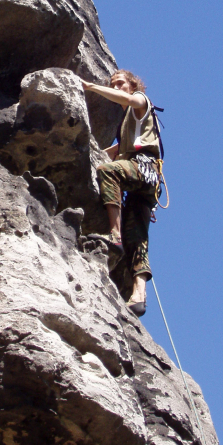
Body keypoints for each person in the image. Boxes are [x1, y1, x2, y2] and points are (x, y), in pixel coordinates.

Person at [81, 70, 161, 317]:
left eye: (120, 83)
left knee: (108, 171)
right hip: (145, 182)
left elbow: (129, 100)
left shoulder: (141, 102)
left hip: (143, 168)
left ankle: (113, 235)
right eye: (113, 84)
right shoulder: (127, 126)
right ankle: (139, 295)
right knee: (136, 236)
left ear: (133, 85)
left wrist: (91, 87)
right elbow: (114, 151)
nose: (117, 87)